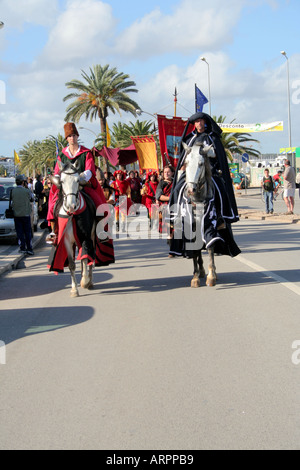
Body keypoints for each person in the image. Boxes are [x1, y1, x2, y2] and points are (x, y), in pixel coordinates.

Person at [168, 111, 240, 258]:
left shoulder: (212, 138)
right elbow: (184, 157)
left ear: (205, 122)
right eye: (196, 122)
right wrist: (183, 166)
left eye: (201, 121)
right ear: (193, 124)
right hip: (191, 173)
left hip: (209, 171)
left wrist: (211, 155)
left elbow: (219, 157)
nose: (199, 124)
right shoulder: (189, 139)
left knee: (220, 188)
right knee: (177, 189)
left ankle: (221, 217)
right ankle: (176, 216)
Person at [47, 122, 107, 241]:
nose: (72, 138)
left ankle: (100, 230)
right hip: (66, 186)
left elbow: (90, 169)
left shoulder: (86, 153)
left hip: (82, 183)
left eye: (74, 135)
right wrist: (59, 178)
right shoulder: (61, 155)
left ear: (77, 137)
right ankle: (53, 231)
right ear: (66, 139)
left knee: (98, 202)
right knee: (53, 203)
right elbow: (57, 170)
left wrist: (79, 177)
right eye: (69, 136)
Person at [10, 174, 34, 255]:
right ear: (23, 182)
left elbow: (11, 203)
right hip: (26, 214)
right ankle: (29, 248)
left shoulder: (13, 191)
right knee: (27, 232)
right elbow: (32, 199)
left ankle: (22, 248)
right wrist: (27, 187)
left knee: (19, 232)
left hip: (17, 215)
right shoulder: (27, 191)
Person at [156, 165, 174, 235]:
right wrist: (171, 198)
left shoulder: (176, 182)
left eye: (168, 172)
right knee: (169, 231)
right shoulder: (161, 183)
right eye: (165, 172)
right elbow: (159, 196)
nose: (166, 174)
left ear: (172, 173)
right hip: (165, 208)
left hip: (176, 207)